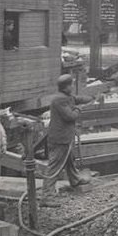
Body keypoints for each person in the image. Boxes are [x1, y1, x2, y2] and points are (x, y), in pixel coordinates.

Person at [41, 75, 93, 205]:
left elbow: (77, 98)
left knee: (70, 160)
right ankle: (47, 196)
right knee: (54, 167)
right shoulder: (59, 100)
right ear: (66, 87)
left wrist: (92, 97)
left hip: (65, 137)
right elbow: (70, 116)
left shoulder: (66, 97)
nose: (72, 87)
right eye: (71, 85)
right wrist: (78, 108)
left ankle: (75, 180)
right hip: (60, 139)